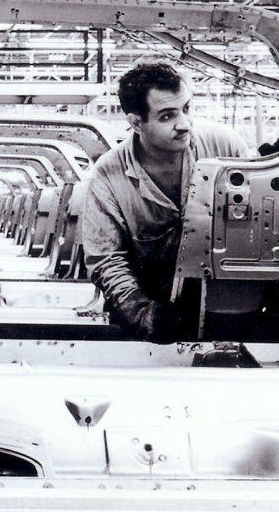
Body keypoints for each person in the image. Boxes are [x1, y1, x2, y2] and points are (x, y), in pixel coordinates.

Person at [83, 61, 250, 342]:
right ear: (136, 122)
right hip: (153, 313)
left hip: (230, 305)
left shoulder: (224, 147)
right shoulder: (109, 175)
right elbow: (106, 260)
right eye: (166, 117)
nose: (184, 124)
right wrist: (140, 313)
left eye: (186, 109)